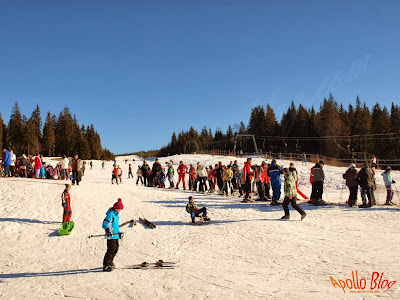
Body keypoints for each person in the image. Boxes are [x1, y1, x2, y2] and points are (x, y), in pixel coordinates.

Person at [102, 198, 124, 272]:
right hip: (110, 235)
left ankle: (110, 261)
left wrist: (118, 232)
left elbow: (115, 225)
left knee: (115, 249)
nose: (120, 210)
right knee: (110, 250)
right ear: (116, 208)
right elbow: (105, 223)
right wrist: (107, 230)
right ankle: (106, 265)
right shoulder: (111, 214)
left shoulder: (116, 214)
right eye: (119, 209)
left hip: (115, 235)